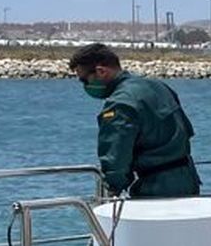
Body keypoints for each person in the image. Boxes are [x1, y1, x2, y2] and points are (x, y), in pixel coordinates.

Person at [68, 43, 200, 198]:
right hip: (188, 178)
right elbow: (186, 131)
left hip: (155, 187)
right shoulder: (159, 86)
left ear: (101, 71)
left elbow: (116, 156)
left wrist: (113, 189)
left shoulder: (119, 104)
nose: (86, 86)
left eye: (84, 80)